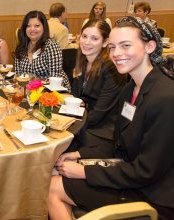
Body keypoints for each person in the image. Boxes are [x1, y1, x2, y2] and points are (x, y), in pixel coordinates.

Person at [48, 16, 174, 220]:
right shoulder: (129, 90)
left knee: (53, 188)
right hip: (132, 177)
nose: (116, 54)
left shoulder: (165, 98)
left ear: (150, 46)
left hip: (153, 195)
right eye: (113, 47)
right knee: (54, 173)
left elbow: (146, 171)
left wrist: (84, 172)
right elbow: (119, 145)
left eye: (125, 46)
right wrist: (80, 154)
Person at [71, 19, 126, 151]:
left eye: (94, 38)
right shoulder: (83, 61)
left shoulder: (112, 68)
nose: (87, 42)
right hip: (84, 121)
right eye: (84, 36)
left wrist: (71, 126)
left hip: (102, 131)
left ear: (105, 42)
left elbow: (100, 112)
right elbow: (75, 98)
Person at [14, 10, 70, 90]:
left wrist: (34, 86)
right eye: (28, 26)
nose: (32, 29)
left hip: (54, 91)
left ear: (44, 27)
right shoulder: (21, 47)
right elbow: (18, 75)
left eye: (37, 26)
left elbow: (54, 77)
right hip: (29, 91)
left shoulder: (51, 46)